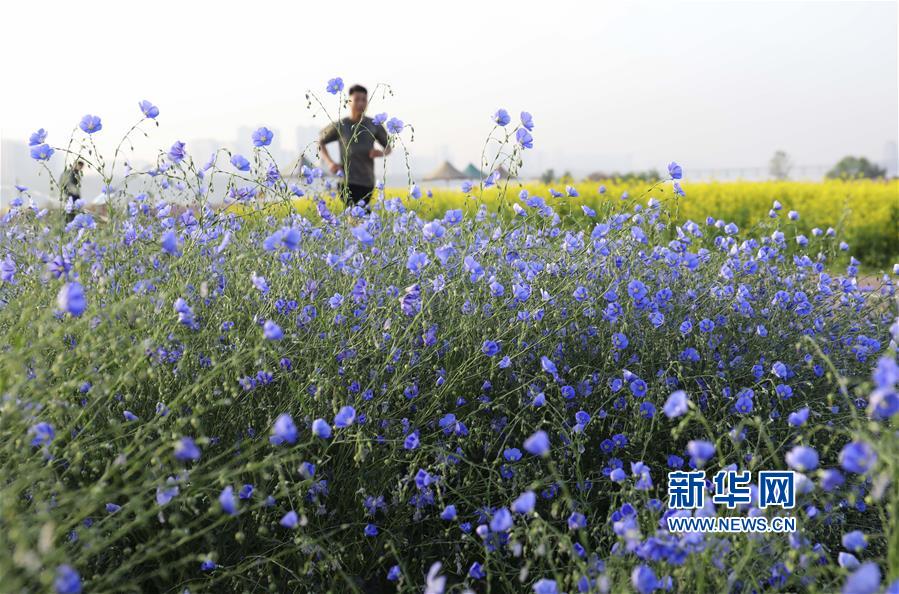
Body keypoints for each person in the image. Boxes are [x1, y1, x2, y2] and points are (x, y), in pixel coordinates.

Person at [318, 84, 391, 211]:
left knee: (360, 217)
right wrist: (330, 163)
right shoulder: (341, 125)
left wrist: (381, 153)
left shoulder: (374, 124)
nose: (361, 103)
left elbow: (389, 147)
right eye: (357, 99)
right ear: (349, 102)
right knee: (356, 214)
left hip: (367, 181)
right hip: (346, 181)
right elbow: (320, 142)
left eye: (364, 100)